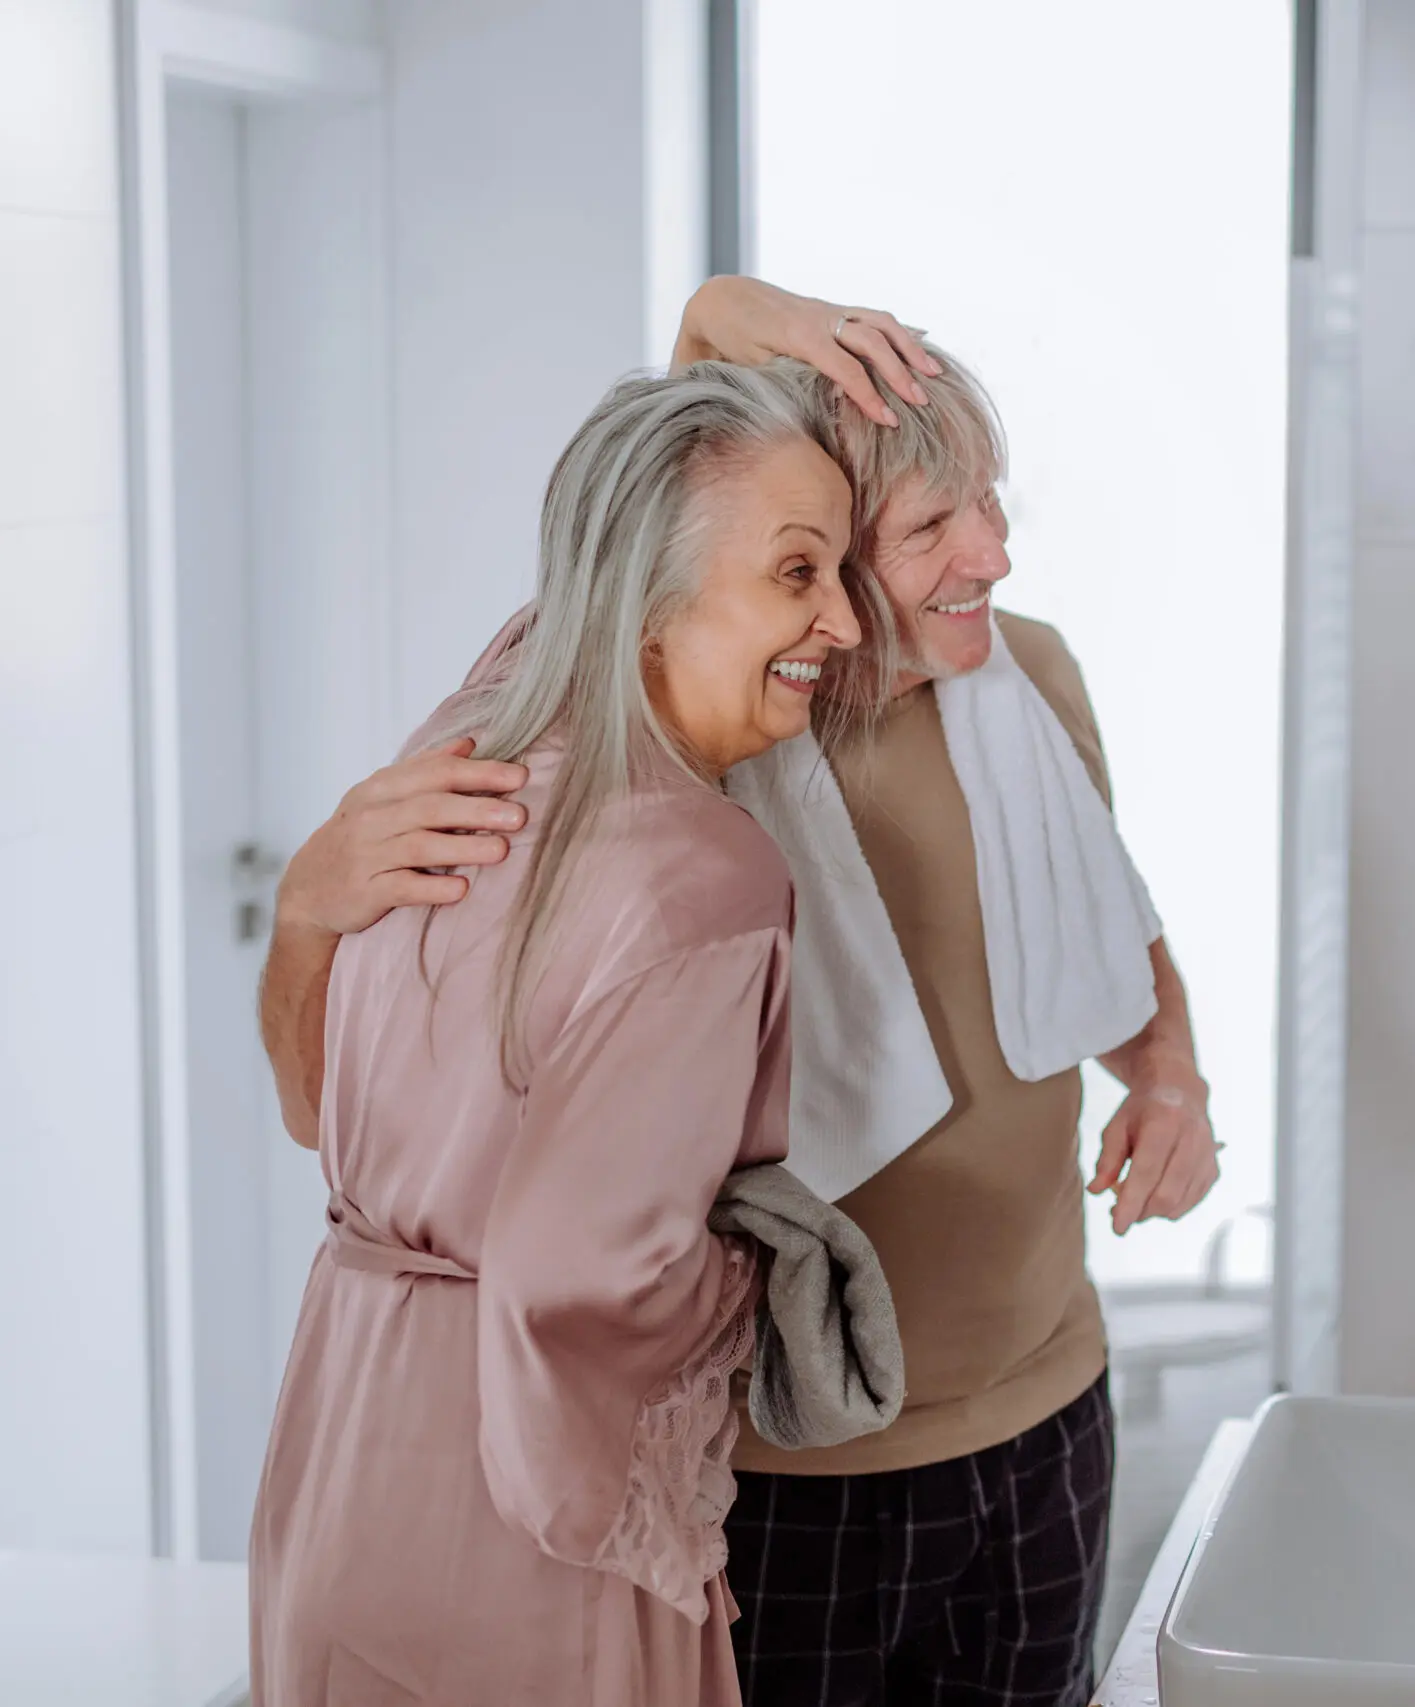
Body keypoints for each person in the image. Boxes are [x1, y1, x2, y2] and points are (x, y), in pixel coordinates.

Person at [260, 277, 1223, 1706]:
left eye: (994, 504)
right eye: (930, 526)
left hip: (1041, 1413)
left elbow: (1109, 913)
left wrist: (1171, 1074)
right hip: (788, 1469)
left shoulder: (1031, 681)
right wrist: (306, 907)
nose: (995, 555)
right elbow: (658, 503)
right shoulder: (709, 732)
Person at [250, 359, 877, 1706]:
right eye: (798, 572)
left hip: (338, 1461)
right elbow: (584, 1279)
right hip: (520, 1509)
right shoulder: (707, 870)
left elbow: (317, 1114)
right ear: (651, 595)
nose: (845, 619)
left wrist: (303, 912)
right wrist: (763, 1275)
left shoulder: (464, 743)